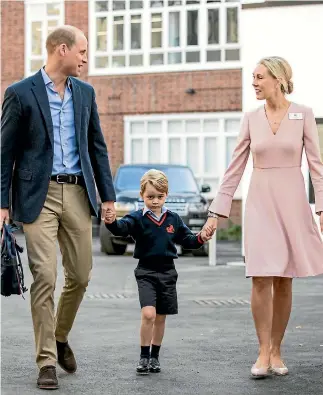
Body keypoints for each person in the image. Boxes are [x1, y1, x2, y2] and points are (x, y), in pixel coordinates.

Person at [1, 25, 116, 390]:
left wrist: (108, 196)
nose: (86, 58)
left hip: (79, 194)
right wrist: (2, 204)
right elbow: (4, 154)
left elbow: (97, 145)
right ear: (62, 50)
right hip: (38, 196)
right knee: (45, 277)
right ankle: (47, 361)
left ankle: (60, 335)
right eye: (82, 51)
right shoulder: (20, 93)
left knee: (80, 276)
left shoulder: (85, 93)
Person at [203, 56, 323, 378]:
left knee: (284, 278)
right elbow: (235, 168)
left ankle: (277, 349)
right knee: (260, 276)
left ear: (278, 78)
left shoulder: (303, 114)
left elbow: (316, 167)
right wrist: (217, 212)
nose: (254, 83)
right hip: (260, 202)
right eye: (252, 78)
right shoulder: (250, 119)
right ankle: (261, 351)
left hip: (293, 202)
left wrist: (322, 209)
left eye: (259, 77)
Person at [105, 169, 212, 375]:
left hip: (168, 273)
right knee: (149, 314)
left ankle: (155, 357)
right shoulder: (137, 218)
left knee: (161, 317)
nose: (155, 201)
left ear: (166, 195)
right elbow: (120, 228)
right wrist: (111, 221)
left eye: (159, 197)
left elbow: (188, 240)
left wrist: (201, 237)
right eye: (150, 197)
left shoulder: (173, 219)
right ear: (142, 195)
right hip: (145, 272)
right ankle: (144, 356)